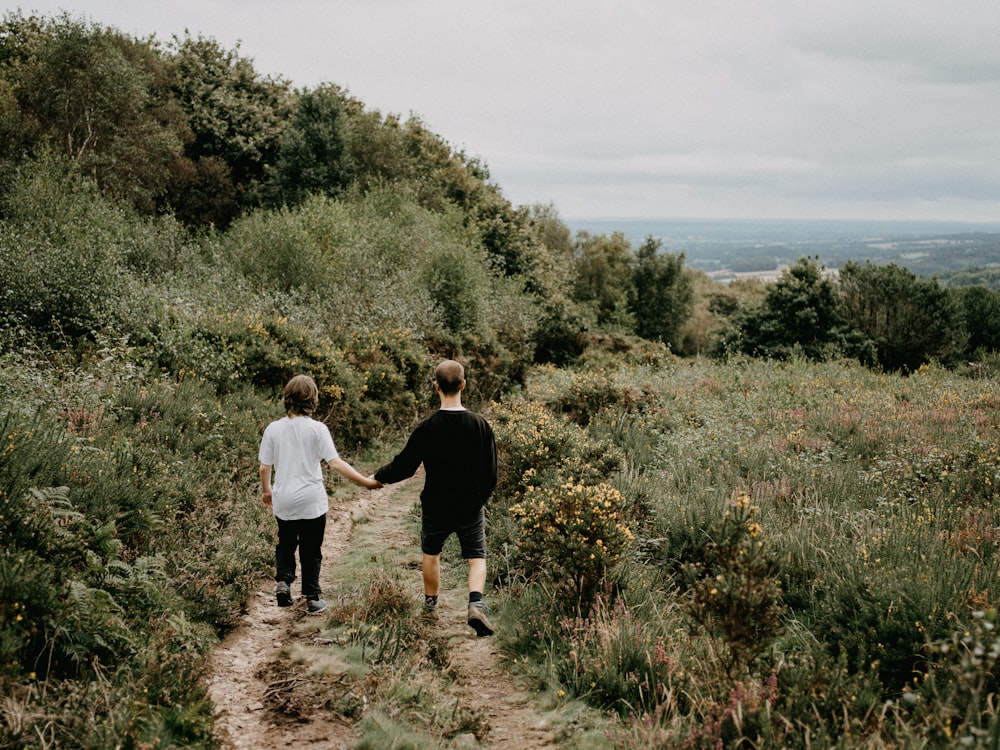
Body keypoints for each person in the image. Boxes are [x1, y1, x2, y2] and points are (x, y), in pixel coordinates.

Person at [374, 359, 498, 636]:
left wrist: (378, 478)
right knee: (476, 557)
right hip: (469, 505)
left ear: (436, 387)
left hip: (436, 504)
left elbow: (404, 466)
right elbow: (491, 474)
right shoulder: (480, 425)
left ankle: (431, 607)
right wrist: (479, 499)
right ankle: (475, 604)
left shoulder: (427, 427)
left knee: (431, 554)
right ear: (464, 384)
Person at [259, 374, 381, 614]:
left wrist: (267, 491)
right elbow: (335, 463)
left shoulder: (274, 429)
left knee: (285, 542)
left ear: (288, 398)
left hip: (283, 498)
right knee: (311, 548)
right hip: (311, 500)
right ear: (312, 399)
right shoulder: (318, 429)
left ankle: (283, 581)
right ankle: (313, 598)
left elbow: (265, 466)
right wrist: (365, 482)